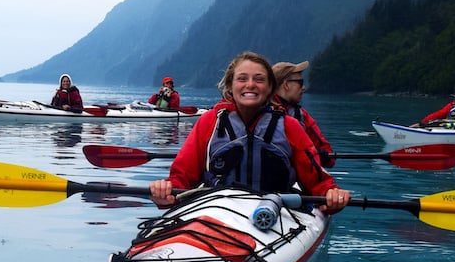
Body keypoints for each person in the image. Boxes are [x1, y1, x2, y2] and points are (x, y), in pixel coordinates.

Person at [148, 51, 349, 215]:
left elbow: (317, 184)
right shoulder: (209, 122)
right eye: (242, 79)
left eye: (259, 79)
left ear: (270, 88)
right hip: (217, 211)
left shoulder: (290, 127)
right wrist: (166, 191)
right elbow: (182, 178)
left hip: (277, 214)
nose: (250, 84)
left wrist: (330, 195)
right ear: (230, 86)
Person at [272, 60, 335, 167]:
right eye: (300, 83)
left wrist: (320, 154)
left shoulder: (302, 115)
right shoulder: (259, 111)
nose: (303, 87)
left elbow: (329, 158)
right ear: (286, 84)